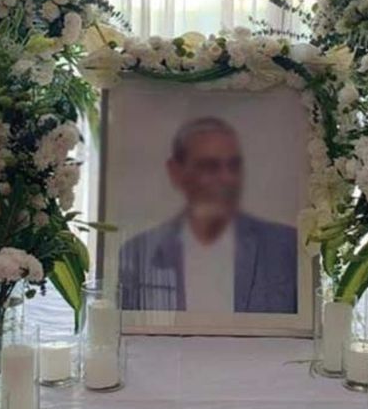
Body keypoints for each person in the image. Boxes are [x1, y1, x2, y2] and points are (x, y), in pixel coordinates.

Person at [119, 116, 297, 313]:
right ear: (176, 172)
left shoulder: (286, 247)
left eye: (233, 166)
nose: (226, 178)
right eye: (209, 166)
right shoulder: (137, 254)